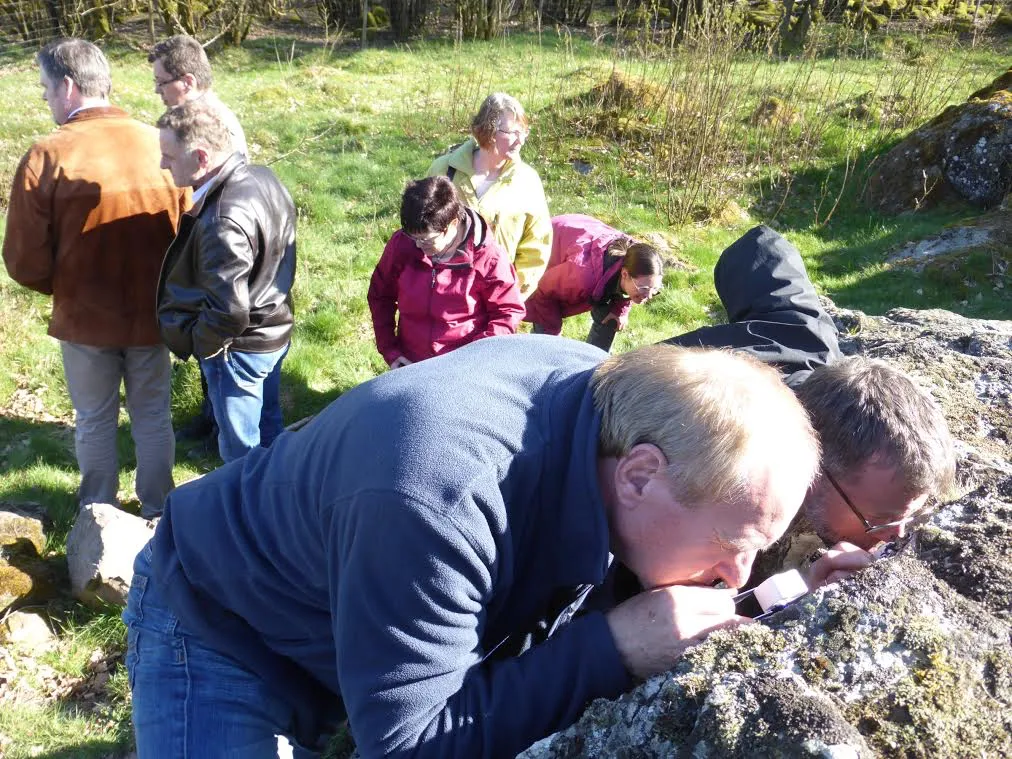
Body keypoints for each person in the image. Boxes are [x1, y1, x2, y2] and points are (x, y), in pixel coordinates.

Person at [123, 338, 820, 758]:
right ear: (640, 473)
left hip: (340, 618)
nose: (736, 574)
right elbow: (408, 744)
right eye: (733, 544)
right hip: (218, 624)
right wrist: (617, 646)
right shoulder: (440, 496)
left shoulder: (613, 401)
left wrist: (790, 596)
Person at [665, 225, 955, 591]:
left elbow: (763, 254)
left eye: (911, 518)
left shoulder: (813, 346)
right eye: (880, 520)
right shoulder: (710, 470)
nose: (895, 537)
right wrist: (789, 595)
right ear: (815, 475)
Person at [2, 39, 188, 520]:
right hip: (154, 311)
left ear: (66, 85)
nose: (45, 99)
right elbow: (191, 231)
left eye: (45, 88)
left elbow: (23, 260)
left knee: (94, 420)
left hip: (85, 318)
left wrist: (65, 287)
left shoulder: (48, 155)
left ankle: (96, 517)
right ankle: (158, 513)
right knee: (152, 416)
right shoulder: (160, 142)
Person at [155, 100, 296, 464]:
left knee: (240, 451)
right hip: (274, 328)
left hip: (239, 348)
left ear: (201, 158)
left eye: (169, 156)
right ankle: (279, 499)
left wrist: (204, 347)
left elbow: (227, 313)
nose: (162, 165)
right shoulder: (264, 176)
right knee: (269, 431)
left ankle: (246, 513)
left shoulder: (222, 218)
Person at [149, 34, 248, 448]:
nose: (156, 91)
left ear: (186, 81)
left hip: (216, 240)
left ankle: (223, 425)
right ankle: (213, 417)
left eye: (161, 82)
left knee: (215, 319)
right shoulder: (192, 117)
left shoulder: (211, 124)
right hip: (204, 234)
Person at [367, 176, 525, 368]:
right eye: (412, 236)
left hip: (463, 366)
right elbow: (380, 295)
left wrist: (475, 361)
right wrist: (391, 352)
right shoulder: (402, 244)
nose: (417, 245)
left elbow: (507, 313)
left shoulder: (488, 257)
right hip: (409, 363)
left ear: (451, 224)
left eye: (426, 240)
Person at [427, 93, 551, 299]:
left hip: (497, 297)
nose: (520, 140)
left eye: (524, 132)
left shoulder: (527, 181)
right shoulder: (445, 170)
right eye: (512, 132)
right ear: (488, 131)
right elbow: (420, 230)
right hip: (442, 296)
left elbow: (537, 245)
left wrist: (513, 296)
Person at [524, 214, 664, 352]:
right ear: (625, 274)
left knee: (611, 318)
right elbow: (543, 290)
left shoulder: (636, 258)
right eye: (644, 288)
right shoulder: (582, 276)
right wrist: (552, 334)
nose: (649, 296)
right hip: (552, 239)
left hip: (585, 239)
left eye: (655, 289)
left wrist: (619, 310)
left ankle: (593, 366)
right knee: (548, 341)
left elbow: (626, 290)